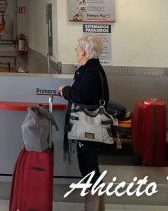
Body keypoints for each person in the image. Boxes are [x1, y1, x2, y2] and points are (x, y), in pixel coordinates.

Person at [57, 35, 109, 211]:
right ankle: (98, 208)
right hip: (88, 127)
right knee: (90, 168)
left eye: (78, 49)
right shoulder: (90, 69)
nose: (77, 52)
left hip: (88, 128)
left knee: (89, 170)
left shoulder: (91, 72)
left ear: (85, 52)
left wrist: (65, 91)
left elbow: (79, 95)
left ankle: (92, 208)